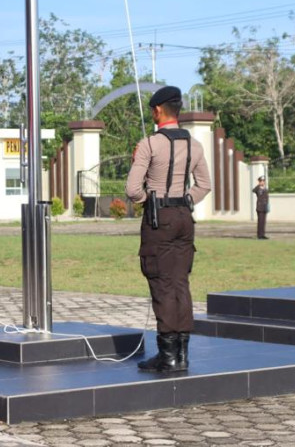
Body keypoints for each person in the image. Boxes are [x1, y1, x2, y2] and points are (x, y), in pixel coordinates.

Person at [125, 86, 211, 373]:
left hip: (159, 217)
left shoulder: (149, 144)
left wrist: (148, 201)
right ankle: (183, 354)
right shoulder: (195, 145)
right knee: (180, 282)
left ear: (158, 111)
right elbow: (204, 185)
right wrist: (186, 199)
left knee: (161, 282)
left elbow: (132, 189)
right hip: (185, 216)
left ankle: (167, 355)